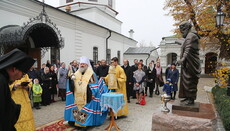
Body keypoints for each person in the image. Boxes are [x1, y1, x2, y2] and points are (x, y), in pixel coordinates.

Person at [0, 48, 35, 131]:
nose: (21, 77)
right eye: (22, 74)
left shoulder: (3, 79)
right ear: (14, 69)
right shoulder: (1, 82)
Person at [70, 56, 107, 129]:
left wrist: (93, 94)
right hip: (78, 95)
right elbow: (74, 82)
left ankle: (86, 124)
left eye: (84, 64)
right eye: (81, 64)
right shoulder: (77, 73)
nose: (82, 65)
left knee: (86, 110)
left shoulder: (91, 74)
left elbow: (94, 85)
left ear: (87, 65)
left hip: (88, 94)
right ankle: (79, 124)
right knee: (78, 109)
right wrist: (71, 79)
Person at [176, 21, 201, 105]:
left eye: (182, 31)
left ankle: (191, 99)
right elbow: (186, 45)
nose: (181, 32)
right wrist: (179, 43)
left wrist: (182, 59)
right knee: (185, 81)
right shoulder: (189, 37)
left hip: (191, 65)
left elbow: (188, 49)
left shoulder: (191, 36)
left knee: (190, 81)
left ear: (186, 29)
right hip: (188, 65)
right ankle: (187, 97)